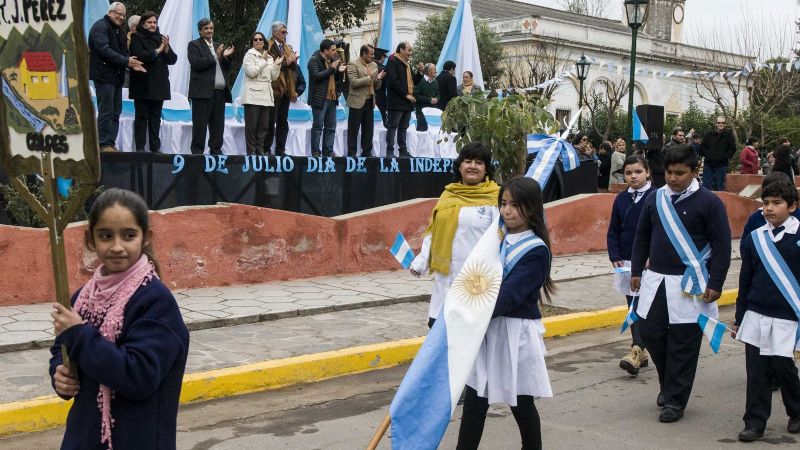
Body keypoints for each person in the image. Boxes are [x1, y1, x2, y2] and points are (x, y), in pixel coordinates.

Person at [48, 188, 189, 449]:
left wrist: (79, 335)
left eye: (128, 235)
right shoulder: (84, 297)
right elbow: (62, 348)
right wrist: (60, 373)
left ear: (145, 238)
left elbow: (138, 377)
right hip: (84, 437)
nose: (116, 247)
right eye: (105, 236)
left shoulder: (155, 302)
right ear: (90, 240)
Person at [630, 144, 732, 423]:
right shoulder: (655, 199)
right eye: (669, 173)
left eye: (679, 173)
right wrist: (636, 270)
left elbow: (722, 246)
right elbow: (642, 236)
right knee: (651, 334)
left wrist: (717, 281)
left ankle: (675, 400)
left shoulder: (709, 202)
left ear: (695, 171)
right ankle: (668, 384)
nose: (673, 179)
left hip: (691, 284)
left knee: (683, 344)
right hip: (656, 281)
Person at [456, 176, 555, 450]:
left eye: (515, 205)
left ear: (533, 208)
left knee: (521, 401)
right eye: (503, 203)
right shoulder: (495, 238)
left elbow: (509, 296)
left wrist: (469, 312)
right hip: (487, 328)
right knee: (475, 400)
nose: (507, 211)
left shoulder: (536, 250)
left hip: (515, 331)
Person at [732, 179, 800, 442]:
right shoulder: (754, 239)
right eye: (765, 203)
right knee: (757, 371)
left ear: (792, 206)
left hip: (787, 315)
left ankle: (796, 410)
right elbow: (745, 279)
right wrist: (740, 317)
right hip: (756, 313)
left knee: (783, 367)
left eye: (776, 203)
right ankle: (755, 421)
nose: (769, 208)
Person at [409, 141, 500, 327]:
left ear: (486, 169)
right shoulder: (448, 195)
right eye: (467, 161)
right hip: (446, 279)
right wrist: (421, 262)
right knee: (439, 330)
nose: (472, 166)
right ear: (459, 166)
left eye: (479, 162)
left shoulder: (495, 198)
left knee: (468, 338)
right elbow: (434, 233)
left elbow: (501, 239)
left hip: (476, 281)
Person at [607, 155, 656, 376]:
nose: (633, 176)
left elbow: (660, 230)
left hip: (649, 264)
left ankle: (637, 349)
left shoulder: (656, 197)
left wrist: (653, 256)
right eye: (628, 173)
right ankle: (639, 350)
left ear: (647, 172)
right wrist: (614, 254)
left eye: (637, 171)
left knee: (647, 307)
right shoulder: (621, 199)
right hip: (626, 262)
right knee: (632, 305)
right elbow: (614, 229)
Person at [89, 2, 144, 152]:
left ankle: (110, 142)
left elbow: (124, 51)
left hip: (116, 77)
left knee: (115, 112)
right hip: (103, 76)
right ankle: (103, 143)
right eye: (117, 13)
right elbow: (104, 50)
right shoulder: (100, 27)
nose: (120, 17)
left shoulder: (119, 30)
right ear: (110, 12)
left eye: (123, 15)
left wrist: (132, 64)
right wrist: (126, 61)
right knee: (106, 111)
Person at [128, 11, 177, 153]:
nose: (152, 25)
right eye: (149, 22)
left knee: (156, 118)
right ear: (143, 23)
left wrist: (166, 48)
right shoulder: (136, 37)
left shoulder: (160, 38)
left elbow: (173, 59)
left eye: (155, 22)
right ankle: (140, 148)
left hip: (159, 85)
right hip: (142, 84)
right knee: (142, 117)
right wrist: (159, 50)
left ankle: (155, 148)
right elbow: (139, 56)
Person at [187, 18, 234, 155]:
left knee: (218, 125)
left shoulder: (219, 45)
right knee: (200, 125)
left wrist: (226, 57)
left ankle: (216, 151)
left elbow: (227, 68)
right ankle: (197, 153)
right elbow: (196, 63)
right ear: (200, 31)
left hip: (219, 92)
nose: (209, 31)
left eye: (211, 28)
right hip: (202, 92)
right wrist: (215, 56)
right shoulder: (194, 45)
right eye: (206, 28)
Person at [266, 21, 304, 156]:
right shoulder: (268, 47)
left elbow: (291, 69)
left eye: (286, 32)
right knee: (270, 122)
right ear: (274, 33)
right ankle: (266, 149)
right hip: (274, 88)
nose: (285, 34)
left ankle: (280, 150)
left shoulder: (287, 47)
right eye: (283, 32)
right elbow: (271, 68)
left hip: (286, 90)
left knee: (283, 122)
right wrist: (287, 62)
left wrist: (293, 62)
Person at [241, 32, 283, 155]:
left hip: (266, 94)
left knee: (264, 126)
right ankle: (251, 151)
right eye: (255, 39)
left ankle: (260, 149)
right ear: (252, 42)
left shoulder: (269, 57)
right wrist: (263, 61)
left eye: (260, 39)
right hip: (252, 94)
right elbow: (251, 73)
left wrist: (277, 65)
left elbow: (274, 77)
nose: (258, 41)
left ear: (264, 42)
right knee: (251, 126)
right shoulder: (249, 55)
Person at [308, 39, 346, 157]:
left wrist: (339, 71)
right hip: (320, 98)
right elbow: (316, 76)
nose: (335, 52)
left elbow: (336, 79)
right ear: (325, 50)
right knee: (318, 126)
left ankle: (328, 151)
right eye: (333, 50)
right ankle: (315, 151)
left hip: (332, 98)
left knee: (331, 127)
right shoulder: (314, 60)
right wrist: (332, 69)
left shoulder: (333, 61)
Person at [346, 45, 384, 157]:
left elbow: (377, 86)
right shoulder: (352, 64)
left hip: (370, 100)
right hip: (356, 101)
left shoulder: (374, 65)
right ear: (363, 54)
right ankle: (351, 153)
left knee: (368, 129)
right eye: (371, 54)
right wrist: (370, 78)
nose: (373, 56)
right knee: (353, 129)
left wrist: (378, 79)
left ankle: (367, 152)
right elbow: (354, 82)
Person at [385, 42, 422, 158]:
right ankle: (389, 151)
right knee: (393, 126)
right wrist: (405, 94)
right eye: (409, 50)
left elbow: (414, 81)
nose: (411, 53)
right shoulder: (392, 61)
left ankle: (403, 150)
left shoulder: (407, 64)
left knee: (403, 127)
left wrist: (420, 72)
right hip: (396, 101)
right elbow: (393, 82)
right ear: (401, 49)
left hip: (407, 101)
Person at [699, 116, 737, 190]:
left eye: (723, 123)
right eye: (719, 123)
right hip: (709, 164)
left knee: (720, 186)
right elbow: (702, 147)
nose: (721, 124)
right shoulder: (709, 135)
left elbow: (733, 148)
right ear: (715, 124)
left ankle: (719, 201)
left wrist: (724, 156)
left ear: (725, 124)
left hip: (722, 165)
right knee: (706, 186)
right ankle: (706, 201)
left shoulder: (728, 135)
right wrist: (708, 155)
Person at [413, 63, 439, 132]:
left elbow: (438, 94)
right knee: (422, 130)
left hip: (433, 110)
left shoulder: (435, 81)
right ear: (429, 71)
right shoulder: (420, 80)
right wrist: (429, 99)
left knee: (433, 131)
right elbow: (416, 95)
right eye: (435, 70)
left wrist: (436, 99)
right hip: (422, 111)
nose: (436, 71)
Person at [373, 47, 390, 127]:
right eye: (384, 57)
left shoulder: (367, 66)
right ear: (382, 57)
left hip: (368, 98)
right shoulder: (383, 69)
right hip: (381, 99)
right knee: (382, 123)